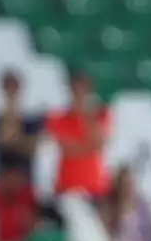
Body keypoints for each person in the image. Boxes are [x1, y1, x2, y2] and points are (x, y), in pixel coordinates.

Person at [45, 70, 111, 198]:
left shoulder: (101, 115)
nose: (79, 93)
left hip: (95, 187)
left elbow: (99, 143)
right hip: (66, 186)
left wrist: (87, 115)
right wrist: (86, 146)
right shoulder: (58, 118)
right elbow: (69, 149)